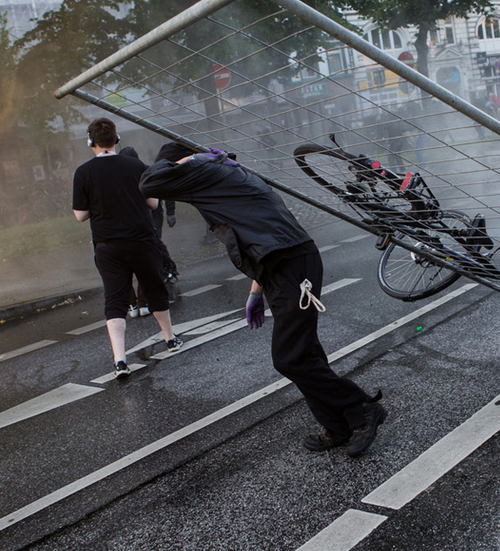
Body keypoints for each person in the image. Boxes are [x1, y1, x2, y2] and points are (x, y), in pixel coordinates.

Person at [140, 142, 386, 458]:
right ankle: (339, 426)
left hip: (293, 266)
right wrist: (257, 292)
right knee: (306, 353)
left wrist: (187, 160)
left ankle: (362, 409)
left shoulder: (206, 170)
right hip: (280, 266)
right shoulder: (222, 174)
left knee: (289, 358)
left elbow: (150, 182)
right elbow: (260, 231)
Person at [72, 118, 181, 378]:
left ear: (91, 142)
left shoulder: (83, 172)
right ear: (116, 139)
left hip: (108, 246)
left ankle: (120, 361)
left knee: (115, 299)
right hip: (142, 240)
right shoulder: (137, 166)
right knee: (155, 288)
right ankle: (170, 340)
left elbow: (80, 215)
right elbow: (153, 204)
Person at [121, 146, 180, 318]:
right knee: (147, 254)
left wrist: (170, 212)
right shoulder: (133, 171)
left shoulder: (144, 171)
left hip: (151, 215)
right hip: (141, 218)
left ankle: (142, 298)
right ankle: (164, 272)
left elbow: (164, 190)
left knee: (151, 248)